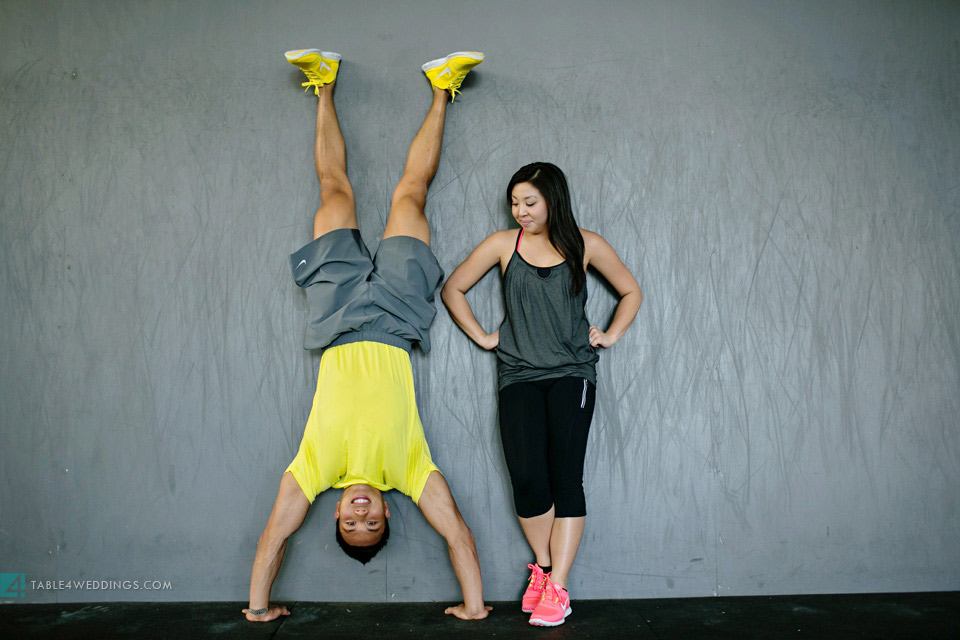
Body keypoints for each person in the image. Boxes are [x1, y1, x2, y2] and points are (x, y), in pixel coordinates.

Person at [243, 48, 490, 623]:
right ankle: (441, 88)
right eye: (371, 522)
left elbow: (272, 536)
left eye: (351, 523)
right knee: (410, 196)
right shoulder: (410, 470)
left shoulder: (313, 472)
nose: (360, 514)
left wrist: (258, 607)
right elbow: (456, 532)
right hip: (398, 318)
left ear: (332, 516)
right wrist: (474, 607)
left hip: (337, 316)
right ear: (385, 510)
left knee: (333, 192)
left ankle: (324, 85)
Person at [441, 162, 642, 626]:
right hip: (519, 376)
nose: (520, 211)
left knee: (566, 477)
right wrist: (485, 337)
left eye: (529, 202)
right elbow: (454, 288)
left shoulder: (585, 244)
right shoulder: (502, 245)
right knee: (529, 478)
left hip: (573, 374)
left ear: (553, 199)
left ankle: (560, 589)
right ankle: (546, 570)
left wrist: (609, 335)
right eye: (515, 203)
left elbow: (631, 291)